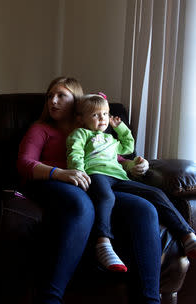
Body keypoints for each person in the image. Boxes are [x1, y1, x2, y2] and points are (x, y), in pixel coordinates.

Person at [17, 76, 162, 304]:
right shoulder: (41, 129)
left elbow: (112, 158)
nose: (52, 101)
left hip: (93, 184)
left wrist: (133, 164)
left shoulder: (92, 131)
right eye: (49, 96)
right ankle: (50, 298)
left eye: (61, 96)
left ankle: (150, 300)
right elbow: (25, 164)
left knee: (145, 209)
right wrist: (60, 173)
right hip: (53, 182)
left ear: (76, 102)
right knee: (82, 206)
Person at [66, 92, 196, 273]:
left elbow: (128, 147)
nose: (102, 119)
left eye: (105, 114)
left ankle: (187, 235)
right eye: (95, 115)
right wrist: (79, 171)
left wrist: (120, 128)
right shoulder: (81, 133)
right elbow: (75, 152)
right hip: (96, 174)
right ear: (82, 119)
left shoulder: (111, 139)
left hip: (119, 176)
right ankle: (102, 243)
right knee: (105, 197)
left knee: (156, 193)